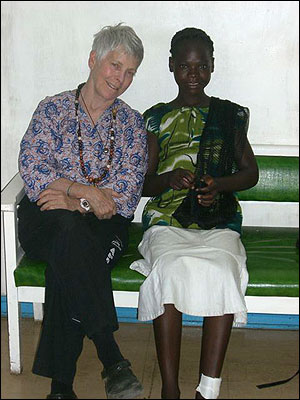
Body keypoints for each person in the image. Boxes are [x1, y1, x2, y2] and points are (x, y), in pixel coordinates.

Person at [18, 23, 148, 399]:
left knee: (70, 255)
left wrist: (76, 200)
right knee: (69, 235)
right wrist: (85, 192)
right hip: (46, 217)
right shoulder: (52, 109)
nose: (120, 79)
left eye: (130, 73)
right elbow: (34, 170)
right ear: (93, 60)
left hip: (103, 226)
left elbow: (124, 194)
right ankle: (111, 358)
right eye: (114, 65)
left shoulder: (131, 124)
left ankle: (61, 390)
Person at [130, 27, 259, 399]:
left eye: (201, 66)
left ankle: (208, 389)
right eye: (185, 66)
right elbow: (143, 183)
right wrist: (168, 179)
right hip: (167, 221)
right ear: (171, 66)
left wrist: (218, 186)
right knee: (168, 272)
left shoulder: (228, 116)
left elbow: (249, 173)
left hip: (218, 220)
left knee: (222, 272)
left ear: (212, 67)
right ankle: (170, 388)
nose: (193, 74)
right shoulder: (155, 118)